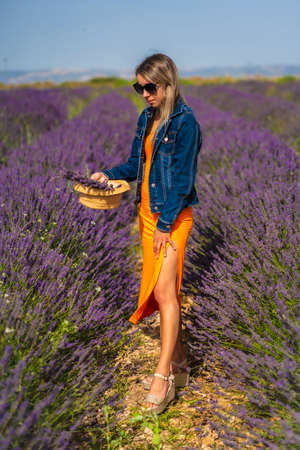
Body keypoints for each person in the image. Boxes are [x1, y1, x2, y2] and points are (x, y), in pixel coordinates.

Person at [91, 53, 202, 414]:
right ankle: (181, 365)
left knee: (164, 291)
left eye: (149, 87)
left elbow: (183, 182)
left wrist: (166, 224)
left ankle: (162, 377)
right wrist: (108, 173)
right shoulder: (146, 118)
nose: (143, 94)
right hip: (146, 216)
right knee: (160, 290)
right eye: (138, 88)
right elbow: (136, 164)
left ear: (167, 83)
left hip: (172, 218)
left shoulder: (186, 123)